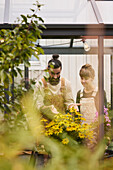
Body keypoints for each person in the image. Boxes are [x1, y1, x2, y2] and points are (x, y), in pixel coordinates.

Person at [76, 64, 107, 149]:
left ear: (92, 78)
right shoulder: (80, 93)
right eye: (81, 78)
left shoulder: (99, 92)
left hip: (96, 134)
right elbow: (78, 114)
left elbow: (104, 114)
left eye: (86, 78)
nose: (83, 81)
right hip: (83, 133)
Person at [34, 54, 75, 119]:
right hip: (44, 122)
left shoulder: (66, 84)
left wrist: (71, 106)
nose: (55, 77)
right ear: (48, 70)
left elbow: (69, 102)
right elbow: (38, 105)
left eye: (58, 73)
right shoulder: (40, 85)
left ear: (61, 70)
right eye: (52, 73)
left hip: (61, 121)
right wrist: (47, 108)